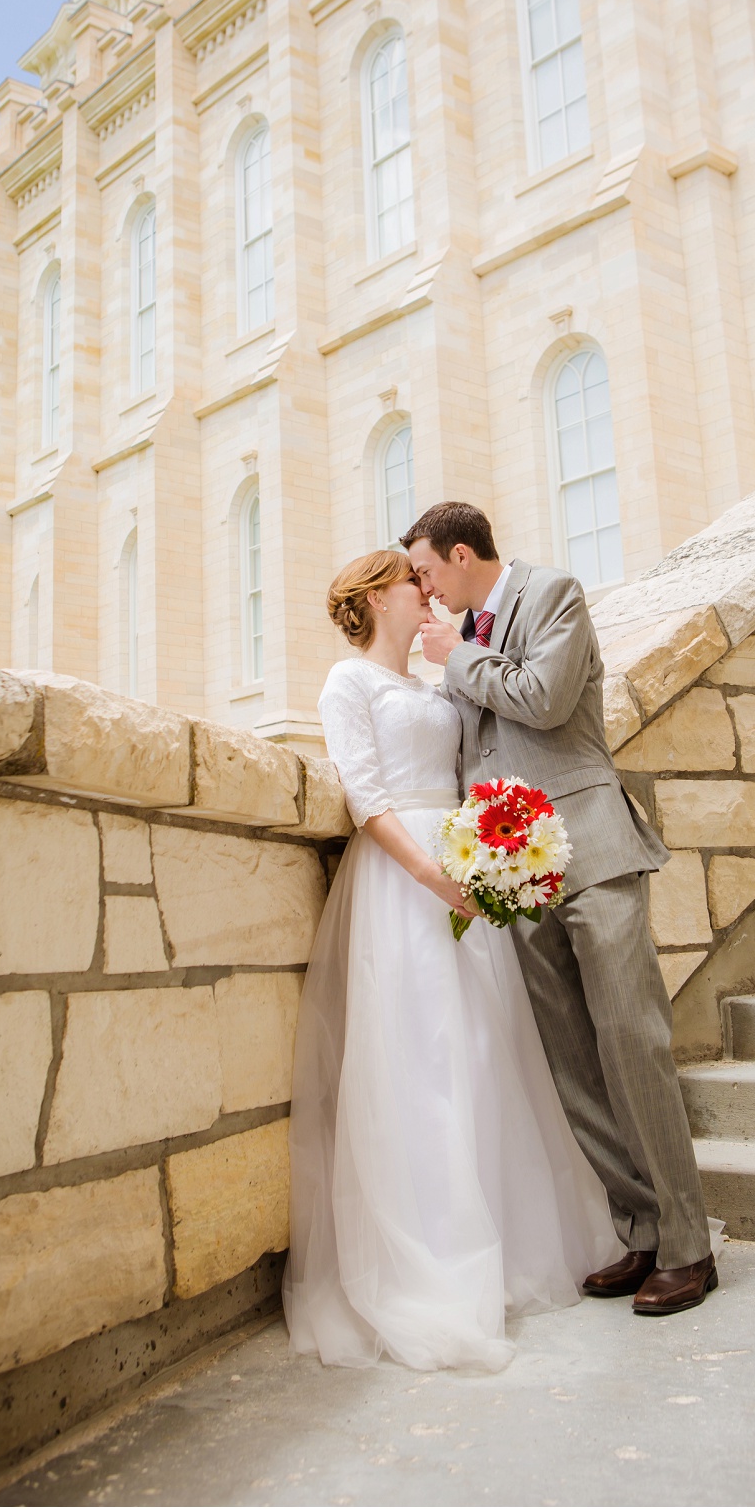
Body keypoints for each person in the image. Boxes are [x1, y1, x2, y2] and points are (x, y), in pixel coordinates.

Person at [283, 549, 625, 1371]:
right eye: (411, 579)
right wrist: (433, 874)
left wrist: (494, 853)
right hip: (407, 883)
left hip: (472, 878)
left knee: (491, 1050)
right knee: (424, 1058)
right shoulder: (349, 684)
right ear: (375, 595)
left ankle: (512, 1245)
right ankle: (434, 1260)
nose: (425, 587)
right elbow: (365, 795)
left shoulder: (437, 686)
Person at [405, 502, 717, 1317]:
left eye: (429, 571)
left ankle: (689, 1247)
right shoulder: (466, 632)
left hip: (593, 850)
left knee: (632, 1042)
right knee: (573, 1062)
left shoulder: (553, 595)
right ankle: (640, 1231)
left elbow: (542, 700)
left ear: (463, 553)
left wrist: (458, 657)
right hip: (516, 874)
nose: (426, 589)